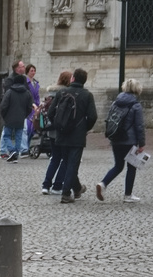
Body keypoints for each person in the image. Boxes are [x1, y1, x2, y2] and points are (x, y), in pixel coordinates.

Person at [97, 78, 147, 203]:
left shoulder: (115, 102)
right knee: (131, 167)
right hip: (129, 140)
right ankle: (128, 195)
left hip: (116, 138)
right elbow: (139, 126)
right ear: (137, 89)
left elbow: (109, 119)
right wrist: (141, 144)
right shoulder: (136, 105)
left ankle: (103, 184)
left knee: (118, 166)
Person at [54, 69, 98, 204]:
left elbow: (51, 113)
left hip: (62, 134)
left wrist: (59, 126)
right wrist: (84, 128)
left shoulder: (61, 92)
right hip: (77, 136)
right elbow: (92, 116)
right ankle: (66, 193)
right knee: (72, 164)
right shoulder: (87, 95)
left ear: (72, 78)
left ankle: (77, 188)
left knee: (68, 163)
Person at [40, 70, 74, 194]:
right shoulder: (66, 93)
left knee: (55, 158)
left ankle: (46, 185)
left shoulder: (51, 92)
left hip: (51, 130)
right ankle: (57, 186)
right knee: (65, 159)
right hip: (61, 130)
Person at [0, 68, 33, 161]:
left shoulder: (10, 92)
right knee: (18, 137)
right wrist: (25, 115)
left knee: (6, 136)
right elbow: (30, 107)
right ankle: (16, 155)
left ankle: (12, 150)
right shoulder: (27, 93)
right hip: (21, 118)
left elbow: (3, 105)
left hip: (9, 118)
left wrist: (4, 115)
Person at [24, 64, 43, 154]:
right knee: (28, 128)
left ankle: (27, 146)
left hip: (36, 107)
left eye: (34, 71)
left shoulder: (36, 83)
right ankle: (25, 146)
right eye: (31, 71)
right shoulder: (26, 82)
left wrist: (38, 105)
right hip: (29, 107)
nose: (33, 72)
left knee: (33, 128)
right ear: (27, 71)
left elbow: (37, 95)